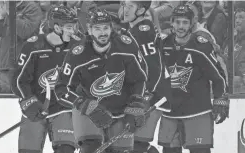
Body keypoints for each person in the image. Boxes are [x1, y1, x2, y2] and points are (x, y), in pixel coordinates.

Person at [55, 8, 150, 153]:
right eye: (97, 28)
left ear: (111, 28)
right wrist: (85, 105)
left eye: (106, 28)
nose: (103, 33)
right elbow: (61, 88)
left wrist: (137, 103)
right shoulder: (77, 53)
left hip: (121, 110)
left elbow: (140, 79)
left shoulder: (127, 46)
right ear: (89, 29)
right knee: (90, 148)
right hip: (89, 111)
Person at [158, 5, 229, 153]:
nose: (181, 26)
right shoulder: (163, 45)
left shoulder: (201, 45)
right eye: (177, 22)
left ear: (191, 24)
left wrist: (220, 99)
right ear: (171, 22)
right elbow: (153, 74)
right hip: (171, 113)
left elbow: (218, 76)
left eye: (185, 22)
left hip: (197, 112)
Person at [11, 5, 82, 153]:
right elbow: (18, 80)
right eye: (69, 27)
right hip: (36, 107)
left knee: (65, 149)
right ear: (56, 27)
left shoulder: (78, 46)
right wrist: (28, 101)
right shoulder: (33, 45)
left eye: (74, 26)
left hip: (64, 108)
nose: (73, 31)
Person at [121, 1, 172, 152]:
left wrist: (145, 96)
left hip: (153, 95)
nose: (125, 10)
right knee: (131, 144)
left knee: (137, 145)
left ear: (141, 10)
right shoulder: (133, 30)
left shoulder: (143, 30)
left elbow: (154, 67)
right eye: (125, 5)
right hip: (143, 94)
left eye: (131, 7)